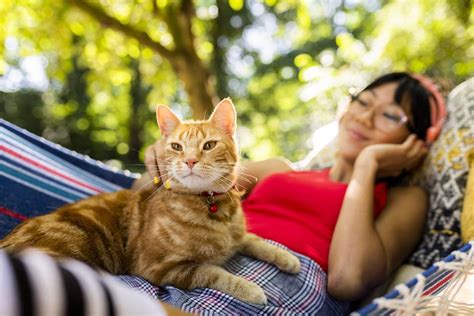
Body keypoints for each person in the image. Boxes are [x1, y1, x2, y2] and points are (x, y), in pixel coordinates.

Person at [141, 72, 446, 304]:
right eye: (363, 101)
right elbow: (145, 195)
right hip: (183, 269)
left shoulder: (406, 199)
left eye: (390, 115)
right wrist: (165, 157)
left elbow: (347, 280)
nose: (364, 117)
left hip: (275, 288)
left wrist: (367, 166)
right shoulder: (277, 170)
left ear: (417, 144)